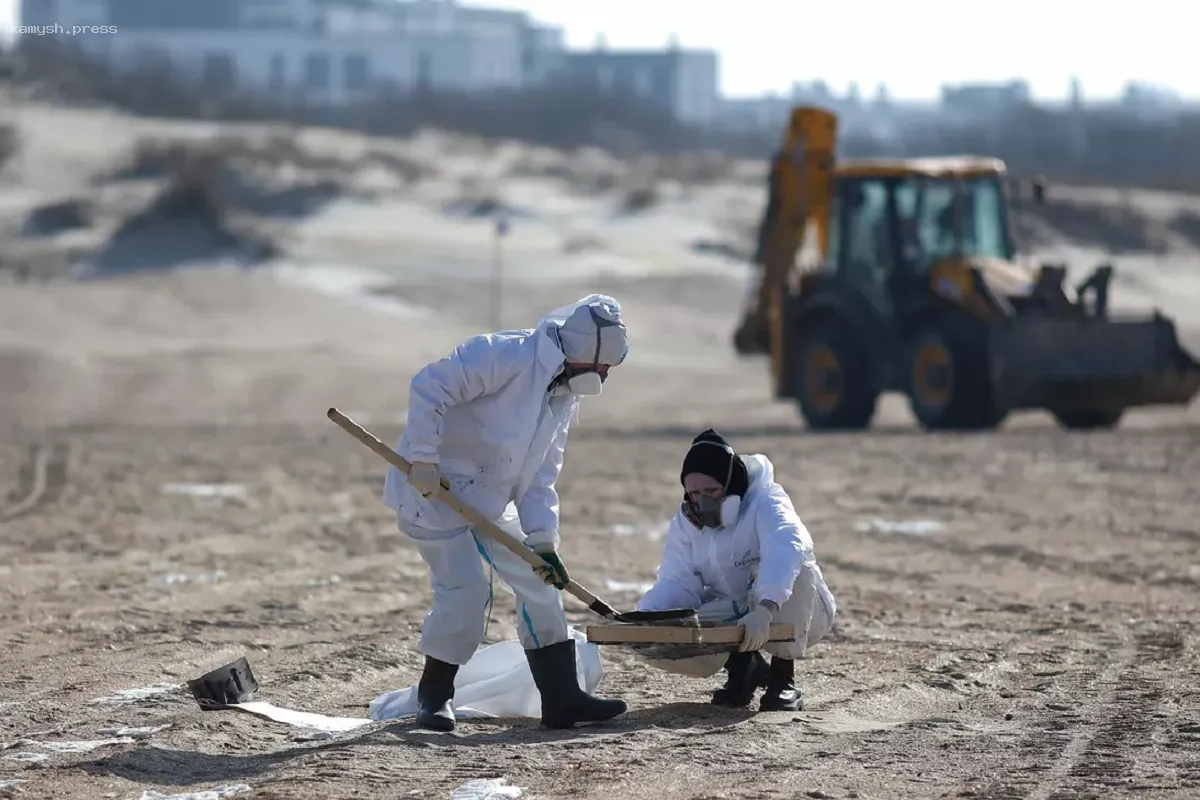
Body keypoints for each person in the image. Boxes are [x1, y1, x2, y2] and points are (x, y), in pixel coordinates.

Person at [382, 293, 631, 732]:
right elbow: (430, 385)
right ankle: (434, 696)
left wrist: (542, 542)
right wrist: (423, 458)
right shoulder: (505, 355)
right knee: (465, 594)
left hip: (489, 503)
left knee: (540, 586)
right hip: (432, 496)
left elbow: (538, 479)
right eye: (606, 369)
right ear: (584, 357)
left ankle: (561, 699)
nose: (607, 376)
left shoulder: (564, 397)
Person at [635, 429, 837, 712]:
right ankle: (744, 668)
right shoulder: (686, 522)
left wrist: (765, 608)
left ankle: (783, 679)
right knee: (670, 626)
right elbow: (677, 581)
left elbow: (787, 545)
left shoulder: (766, 502)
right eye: (694, 493)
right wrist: (644, 618)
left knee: (797, 569)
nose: (701, 500)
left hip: (800, 610)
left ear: (730, 485)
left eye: (711, 491)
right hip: (737, 608)